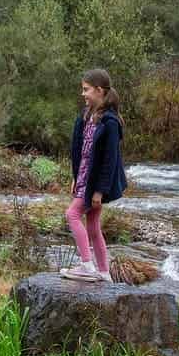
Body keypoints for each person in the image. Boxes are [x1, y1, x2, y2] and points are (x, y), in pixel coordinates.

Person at [62, 67, 128, 282]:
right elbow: (81, 152)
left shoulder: (109, 122)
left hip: (96, 183)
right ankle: (104, 272)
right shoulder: (85, 117)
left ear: (99, 91)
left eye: (86, 89)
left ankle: (86, 265)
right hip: (83, 178)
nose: (83, 94)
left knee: (72, 214)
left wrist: (100, 190)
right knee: (92, 225)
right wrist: (75, 176)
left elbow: (110, 161)